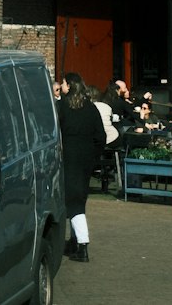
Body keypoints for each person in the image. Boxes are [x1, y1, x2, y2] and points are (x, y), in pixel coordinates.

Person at [58, 72, 105, 264]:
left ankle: (83, 245)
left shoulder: (61, 107)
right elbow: (101, 136)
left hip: (68, 157)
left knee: (73, 200)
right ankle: (75, 240)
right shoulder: (91, 108)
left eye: (63, 83)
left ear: (68, 85)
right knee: (79, 196)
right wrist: (94, 155)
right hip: (86, 158)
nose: (61, 86)